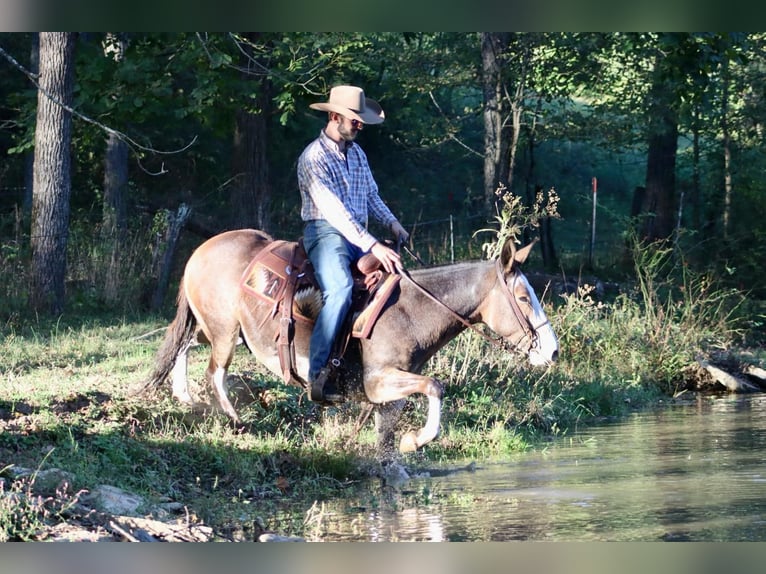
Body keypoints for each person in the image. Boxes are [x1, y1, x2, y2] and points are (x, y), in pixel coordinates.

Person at [297, 85, 409, 403]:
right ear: (335, 117)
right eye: (354, 121)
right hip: (326, 232)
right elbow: (336, 213)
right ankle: (317, 375)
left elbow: (371, 195)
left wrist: (392, 223)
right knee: (342, 289)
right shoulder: (312, 159)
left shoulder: (357, 153)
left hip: (358, 233)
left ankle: (375, 362)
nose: (359, 126)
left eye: (360, 122)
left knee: (391, 283)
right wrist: (374, 246)